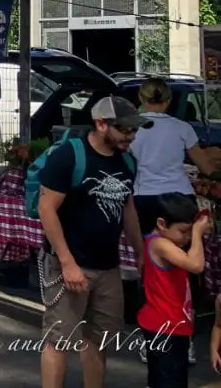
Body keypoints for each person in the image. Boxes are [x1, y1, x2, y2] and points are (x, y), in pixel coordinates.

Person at [38, 96, 149, 388]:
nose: (132, 136)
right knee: (59, 340)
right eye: (125, 130)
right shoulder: (69, 156)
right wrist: (67, 263)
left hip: (107, 266)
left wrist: (141, 253)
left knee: (99, 341)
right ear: (101, 124)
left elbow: (128, 209)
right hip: (70, 265)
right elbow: (46, 208)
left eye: (134, 130)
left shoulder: (127, 161)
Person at [131, 77, 218, 365]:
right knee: (184, 271)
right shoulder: (182, 128)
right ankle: (186, 340)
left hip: (144, 199)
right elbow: (204, 166)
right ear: (169, 101)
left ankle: (151, 339)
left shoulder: (132, 127)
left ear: (141, 100)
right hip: (180, 201)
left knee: (150, 267)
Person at [137, 193, 208, 388]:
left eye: (189, 232)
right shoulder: (160, 244)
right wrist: (196, 234)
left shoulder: (161, 240)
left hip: (169, 324)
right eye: (183, 231)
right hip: (165, 327)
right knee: (170, 380)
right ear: (162, 224)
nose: (186, 237)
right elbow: (196, 265)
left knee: (163, 379)